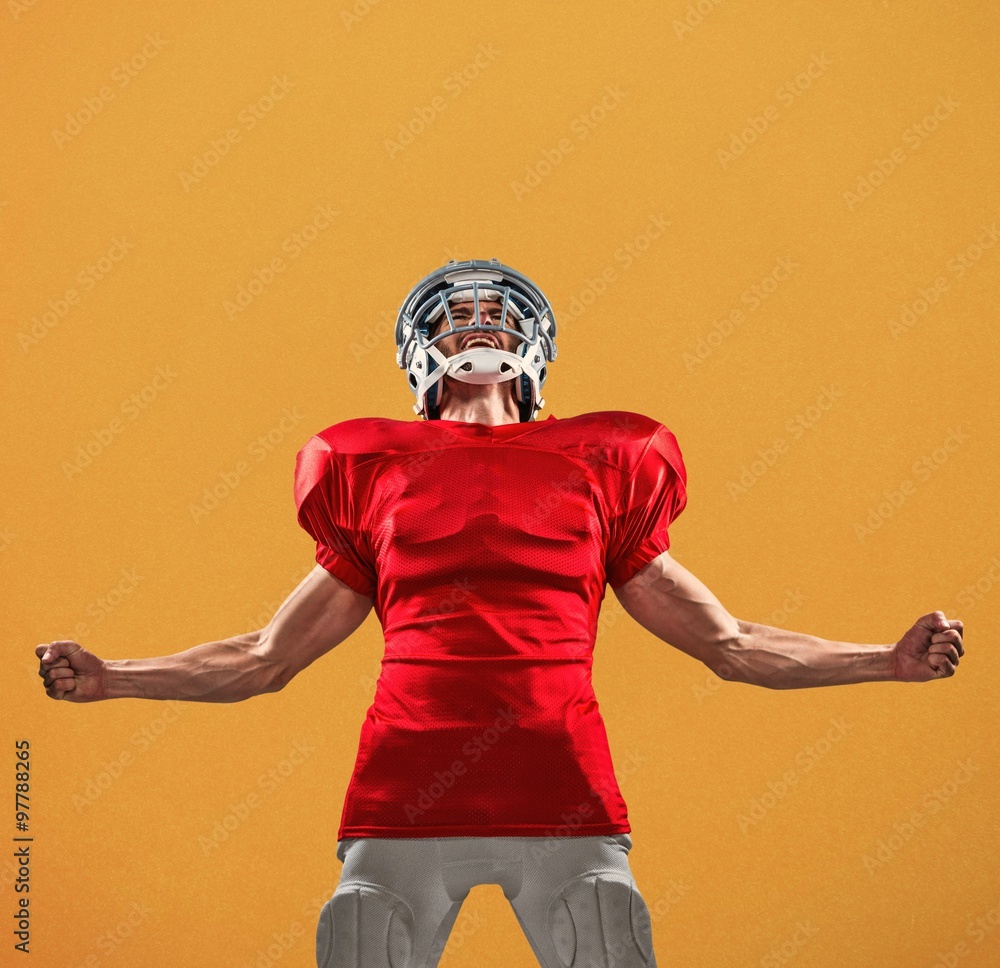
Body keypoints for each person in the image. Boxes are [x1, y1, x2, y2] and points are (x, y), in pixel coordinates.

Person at [36, 258, 966, 968]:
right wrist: (115, 679)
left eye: (494, 311)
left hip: (565, 803)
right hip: (401, 805)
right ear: (418, 349)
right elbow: (266, 657)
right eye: (457, 313)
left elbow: (727, 643)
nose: (477, 326)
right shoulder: (370, 467)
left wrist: (884, 660)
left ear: (535, 343)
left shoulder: (605, 461)